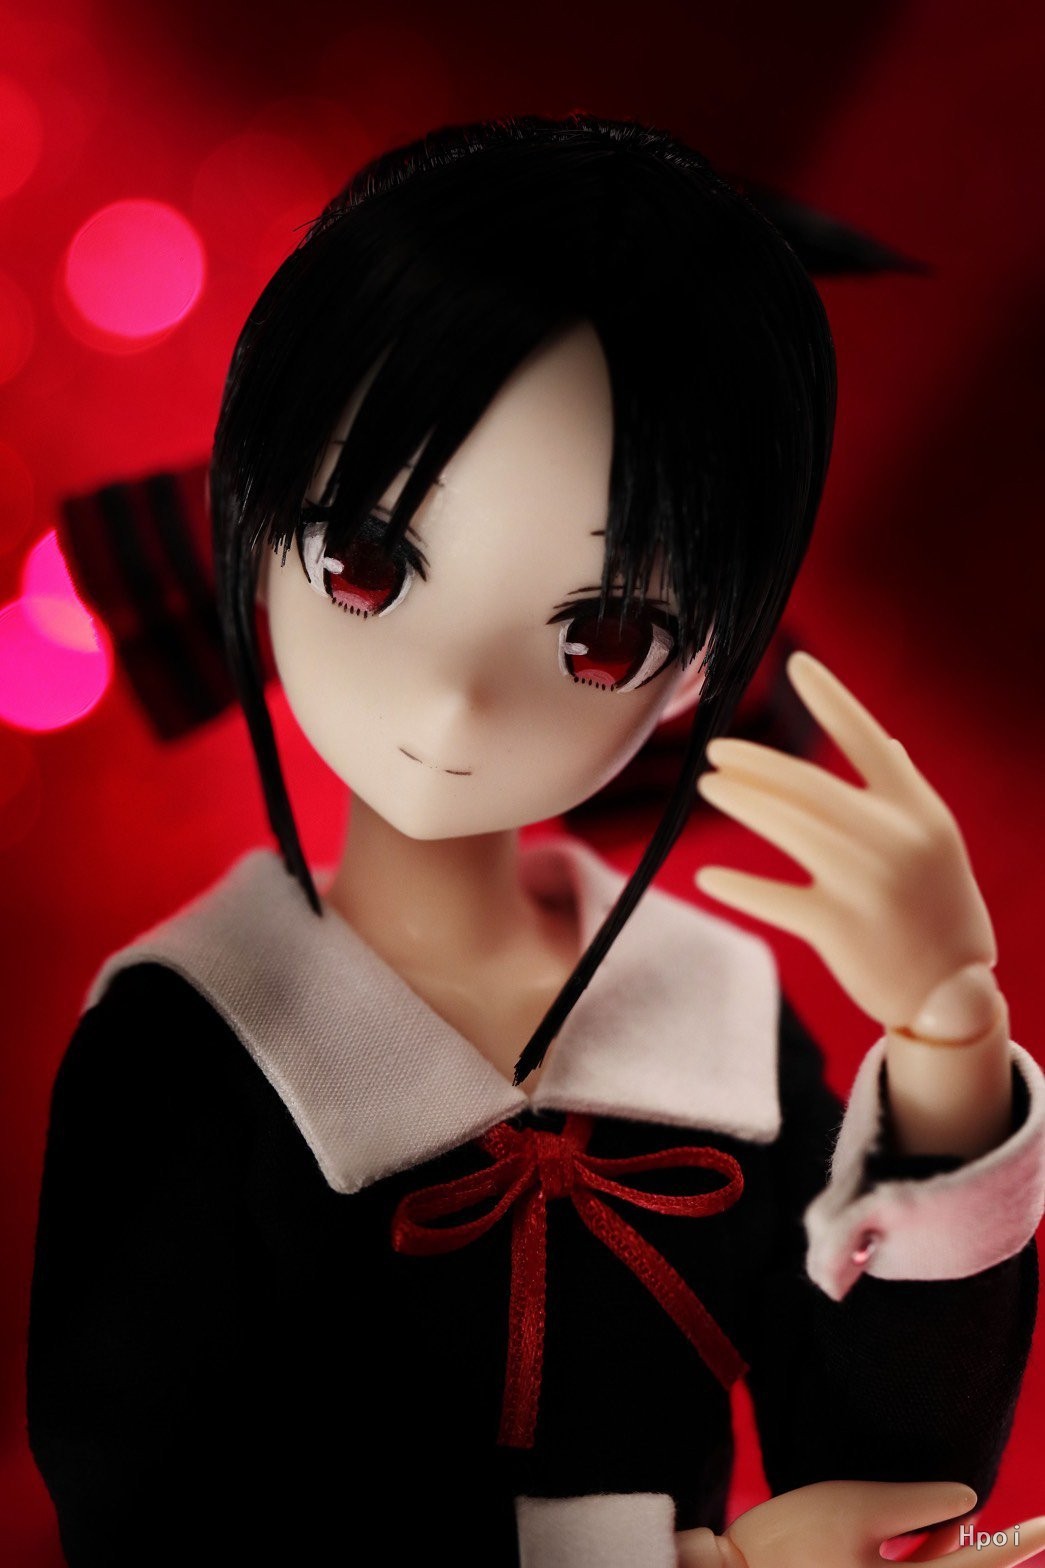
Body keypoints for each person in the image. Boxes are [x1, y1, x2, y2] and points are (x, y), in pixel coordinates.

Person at [27, 114, 1045, 1567]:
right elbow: (151, 1520)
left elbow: (894, 1480)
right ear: (251, 526)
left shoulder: (713, 1019)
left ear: (695, 675)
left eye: (600, 636)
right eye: (363, 562)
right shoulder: (183, 1044)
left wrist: (949, 1049)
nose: (453, 700)